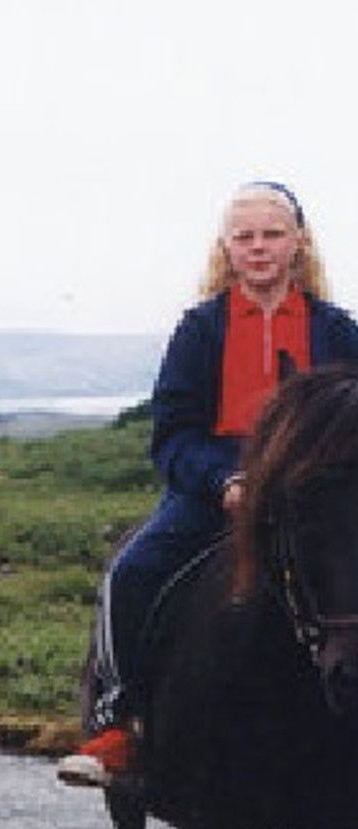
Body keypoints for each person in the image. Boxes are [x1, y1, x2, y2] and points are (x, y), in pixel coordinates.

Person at [58, 178, 358, 788]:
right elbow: (172, 433)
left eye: (271, 234)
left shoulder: (336, 330)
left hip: (312, 488)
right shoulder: (200, 329)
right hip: (217, 486)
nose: (258, 247)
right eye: (244, 237)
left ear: (299, 243)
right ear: (226, 248)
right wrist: (223, 479)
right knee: (130, 574)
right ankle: (119, 723)